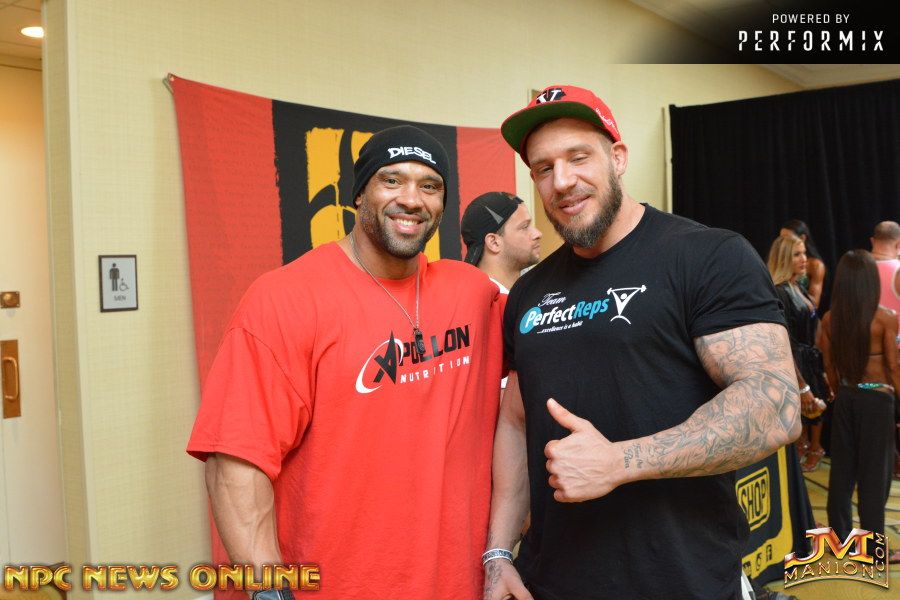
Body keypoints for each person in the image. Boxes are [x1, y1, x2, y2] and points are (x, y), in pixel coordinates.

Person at [483, 85, 800, 600]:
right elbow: (517, 423)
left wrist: (620, 462)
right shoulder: (530, 291)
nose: (562, 181)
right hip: (552, 582)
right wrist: (498, 553)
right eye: (543, 168)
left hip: (682, 581)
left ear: (619, 158)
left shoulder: (707, 255)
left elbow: (775, 405)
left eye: (578, 157)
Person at [187, 125, 505, 599]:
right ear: (359, 194)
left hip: (458, 585)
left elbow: (554, 357)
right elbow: (234, 462)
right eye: (391, 180)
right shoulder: (284, 299)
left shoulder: (473, 294)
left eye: (429, 186)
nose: (411, 199)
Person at [818, 250, 900, 562]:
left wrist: (842, 393)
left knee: (842, 472)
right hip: (877, 401)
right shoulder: (885, 318)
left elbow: (829, 367)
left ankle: (839, 540)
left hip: (846, 398)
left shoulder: (830, 319)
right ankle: (875, 549)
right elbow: (893, 367)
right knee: (874, 476)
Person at [767, 234, 831, 471]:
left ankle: (813, 448)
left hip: (809, 363)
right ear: (784, 258)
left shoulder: (798, 288)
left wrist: (822, 372)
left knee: (814, 415)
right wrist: (802, 385)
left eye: (804, 252)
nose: (804, 259)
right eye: (797, 254)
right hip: (794, 367)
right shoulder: (779, 292)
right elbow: (783, 343)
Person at [462, 191, 542, 294]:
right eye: (525, 227)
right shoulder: (476, 301)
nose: (538, 234)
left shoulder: (533, 294)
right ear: (494, 242)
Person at [780, 220, 826, 307]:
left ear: (802, 238)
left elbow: (815, 304)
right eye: (781, 239)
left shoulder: (815, 265)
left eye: (788, 239)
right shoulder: (778, 261)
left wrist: (794, 288)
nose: (783, 243)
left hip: (803, 312)